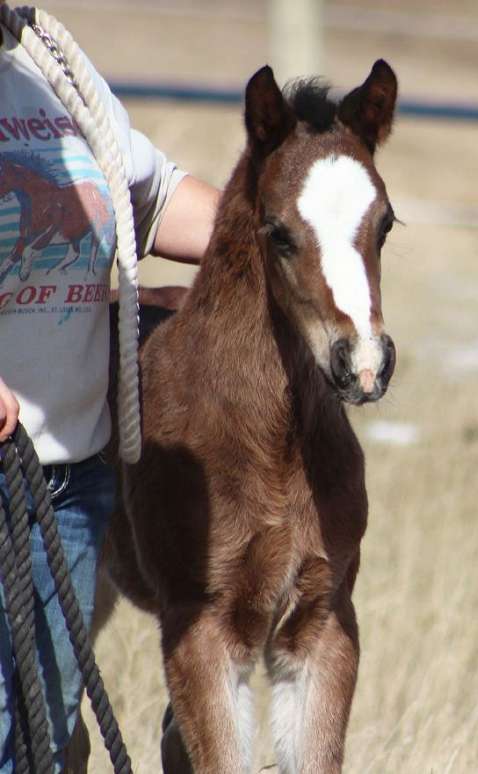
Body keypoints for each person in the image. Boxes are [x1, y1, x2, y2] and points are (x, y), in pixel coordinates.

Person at [0, 9, 219, 772]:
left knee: (40, 729)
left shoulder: (48, 61)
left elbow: (151, 195)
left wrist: (282, 240)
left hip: (66, 476)